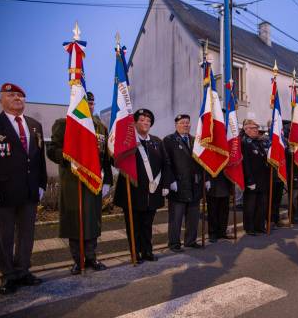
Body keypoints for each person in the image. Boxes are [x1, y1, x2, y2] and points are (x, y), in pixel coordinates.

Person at [0, 83, 47, 294]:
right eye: (11, 95)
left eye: (20, 95)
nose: (17, 98)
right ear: (1, 99)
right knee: (5, 236)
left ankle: (23, 271)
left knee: (27, 235)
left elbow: (39, 160)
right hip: (2, 192)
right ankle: (8, 276)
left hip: (29, 191)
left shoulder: (34, 124)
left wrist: (42, 184)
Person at [47, 91, 113, 275]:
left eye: (92, 103)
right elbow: (52, 150)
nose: (90, 106)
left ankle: (91, 257)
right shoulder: (64, 124)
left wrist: (107, 180)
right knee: (74, 221)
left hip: (93, 181)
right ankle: (78, 260)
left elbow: (105, 158)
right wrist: (71, 158)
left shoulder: (100, 127)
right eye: (86, 103)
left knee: (92, 221)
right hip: (72, 180)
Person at [113, 109, 170, 263]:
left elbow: (166, 164)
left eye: (148, 121)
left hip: (152, 192)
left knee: (147, 225)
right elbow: (117, 159)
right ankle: (135, 252)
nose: (145, 123)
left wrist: (165, 184)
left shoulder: (157, 141)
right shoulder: (128, 141)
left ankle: (147, 251)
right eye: (142, 120)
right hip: (133, 191)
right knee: (134, 225)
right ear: (135, 122)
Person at [163, 114, 203, 252]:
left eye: (187, 122)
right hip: (178, 185)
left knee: (193, 216)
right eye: (182, 122)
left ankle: (190, 241)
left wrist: (204, 180)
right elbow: (166, 162)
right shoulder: (169, 140)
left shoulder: (195, 140)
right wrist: (170, 181)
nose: (186, 125)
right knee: (176, 218)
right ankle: (174, 243)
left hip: (194, 185)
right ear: (176, 125)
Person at [241, 117, 270, 235]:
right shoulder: (244, 143)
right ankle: (250, 228)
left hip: (262, 179)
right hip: (252, 180)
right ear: (246, 129)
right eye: (254, 128)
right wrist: (249, 180)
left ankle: (259, 226)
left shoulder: (258, 142)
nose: (256, 130)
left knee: (261, 204)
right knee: (250, 205)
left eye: (257, 128)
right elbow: (245, 163)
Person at [205, 171, 232, 243]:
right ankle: (213, 233)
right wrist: (206, 179)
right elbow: (205, 165)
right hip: (213, 181)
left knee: (224, 211)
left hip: (226, 182)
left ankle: (222, 232)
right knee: (212, 211)